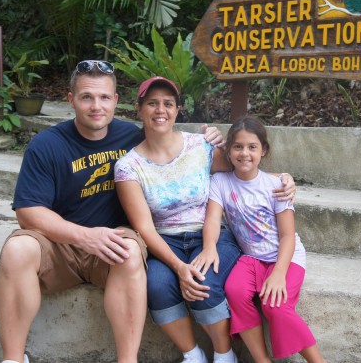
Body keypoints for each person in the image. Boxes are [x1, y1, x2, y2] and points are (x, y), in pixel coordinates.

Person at [0, 61, 222, 363]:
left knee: (128, 250)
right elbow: (27, 212)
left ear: (115, 101)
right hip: (61, 244)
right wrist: (84, 236)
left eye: (104, 97)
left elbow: (168, 136)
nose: (96, 106)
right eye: (87, 97)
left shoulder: (132, 137)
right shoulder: (46, 145)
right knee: (16, 248)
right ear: (71, 99)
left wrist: (211, 140)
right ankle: (12, 358)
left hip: (113, 244)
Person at [114, 77, 296, 363]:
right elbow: (144, 227)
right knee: (158, 286)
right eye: (152, 103)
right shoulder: (128, 166)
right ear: (139, 108)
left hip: (210, 235)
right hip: (165, 241)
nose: (160, 110)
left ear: (177, 110)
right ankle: (193, 355)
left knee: (204, 282)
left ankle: (224, 355)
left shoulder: (200, 146)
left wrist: (285, 179)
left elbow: (247, 167)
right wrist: (178, 267)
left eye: (168, 103)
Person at [195, 115, 327, 363]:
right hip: (251, 258)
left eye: (252, 147)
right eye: (238, 146)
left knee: (274, 306)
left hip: (285, 257)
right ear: (229, 150)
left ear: (263, 150)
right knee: (234, 291)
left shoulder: (277, 185)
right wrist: (210, 247)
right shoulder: (220, 182)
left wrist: (278, 273)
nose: (244, 153)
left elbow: (288, 236)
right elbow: (213, 220)